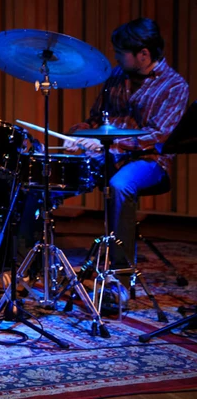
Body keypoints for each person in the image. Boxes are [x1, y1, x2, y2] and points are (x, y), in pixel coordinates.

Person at [63, 17, 189, 312]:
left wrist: (112, 144)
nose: (116, 58)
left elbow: (159, 135)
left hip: (149, 160)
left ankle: (118, 277)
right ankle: (29, 263)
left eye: (121, 52)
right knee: (50, 171)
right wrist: (79, 134)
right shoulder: (118, 76)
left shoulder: (174, 86)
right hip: (109, 155)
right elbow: (97, 120)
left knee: (121, 184)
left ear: (144, 54)